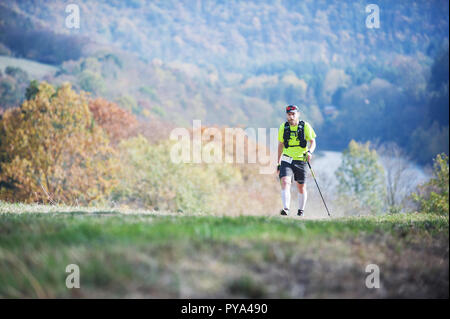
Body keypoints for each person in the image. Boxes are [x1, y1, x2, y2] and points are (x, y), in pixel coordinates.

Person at [277, 105, 317, 216]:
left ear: (298, 114)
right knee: (285, 182)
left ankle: (301, 211)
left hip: (301, 159)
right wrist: (278, 163)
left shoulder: (305, 126)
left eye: (293, 114)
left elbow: (312, 142)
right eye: (289, 115)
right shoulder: (283, 127)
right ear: (286, 115)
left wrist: (310, 152)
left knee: (301, 186)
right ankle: (286, 209)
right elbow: (280, 145)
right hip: (287, 159)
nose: (291, 117)